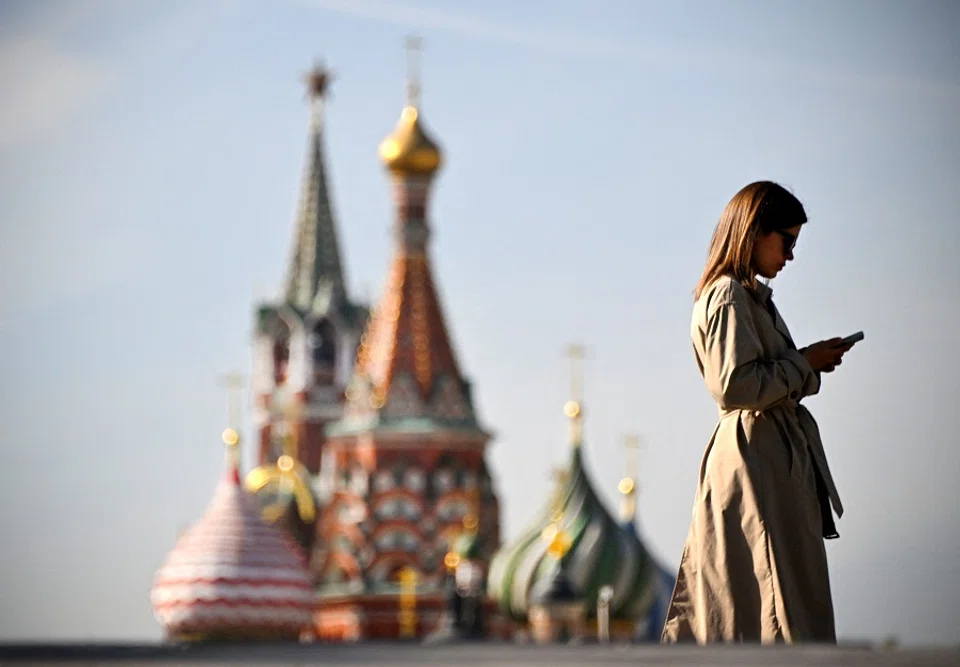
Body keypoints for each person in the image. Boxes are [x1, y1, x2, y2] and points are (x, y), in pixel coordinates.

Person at [661, 181, 857, 644]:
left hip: (768, 457)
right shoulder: (728, 295)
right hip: (756, 463)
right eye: (785, 241)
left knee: (777, 602)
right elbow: (736, 386)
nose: (789, 256)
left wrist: (807, 362)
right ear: (753, 232)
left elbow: (762, 378)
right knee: (774, 605)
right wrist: (803, 363)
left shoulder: (748, 297)